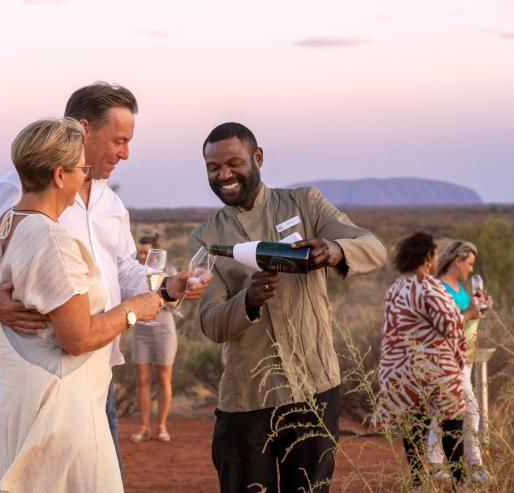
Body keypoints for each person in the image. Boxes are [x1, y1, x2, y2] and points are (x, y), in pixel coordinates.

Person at [0, 82, 206, 470]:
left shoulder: (110, 202)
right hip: (47, 369)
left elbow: (121, 268)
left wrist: (167, 287)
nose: (125, 153)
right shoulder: (18, 188)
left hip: (98, 365)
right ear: (84, 129)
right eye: (119, 140)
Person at [188, 122, 387, 493]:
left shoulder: (304, 203)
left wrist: (336, 249)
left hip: (315, 387)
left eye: (233, 163)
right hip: (247, 399)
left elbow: (373, 246)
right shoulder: (206, 238)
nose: (224, 175)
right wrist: (247, 300)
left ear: (258, 157)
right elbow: (211, 323)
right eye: (213, 168)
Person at [0, 117, 161, 491]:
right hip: (62, 403)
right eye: (82, 168)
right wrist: (136, 309)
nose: (87, 177)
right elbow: (77, 337)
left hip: (22, 390)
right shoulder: (53, 241)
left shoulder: (9, 222)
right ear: (58, 175)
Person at [372, 232, 467, 490]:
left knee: (415, 425)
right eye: (435, 254)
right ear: (428, 258)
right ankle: (460, 482)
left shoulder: (396, 287)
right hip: (434, 368)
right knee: (452, 422)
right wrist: (465, 317)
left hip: (401, 372)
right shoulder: (428, 285)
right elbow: (450, 324)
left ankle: (417, 482)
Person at [427, 240, 494, 484]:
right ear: (457, 261)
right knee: (471, 411)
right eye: (469, 263)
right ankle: (474, 465)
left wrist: (480, 308)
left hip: (464, 359)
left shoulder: (459, 288)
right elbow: (440, 325)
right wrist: (469, 314)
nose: (470, 269)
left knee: (442, 413)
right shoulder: (439, 289)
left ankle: (435, 464)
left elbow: (467, 317)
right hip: (447, 361)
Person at [130, 234, 178, 443]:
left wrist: (160, 295)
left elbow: (176, 304)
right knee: (142, 380)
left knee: (164, 378)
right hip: (141, 331)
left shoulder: (170, 272)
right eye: (140, 252)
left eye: (146, 253)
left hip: (164, 331)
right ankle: (143, 427)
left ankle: (161, 426)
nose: (142, 256)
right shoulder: (133, 273)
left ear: (155, 254)